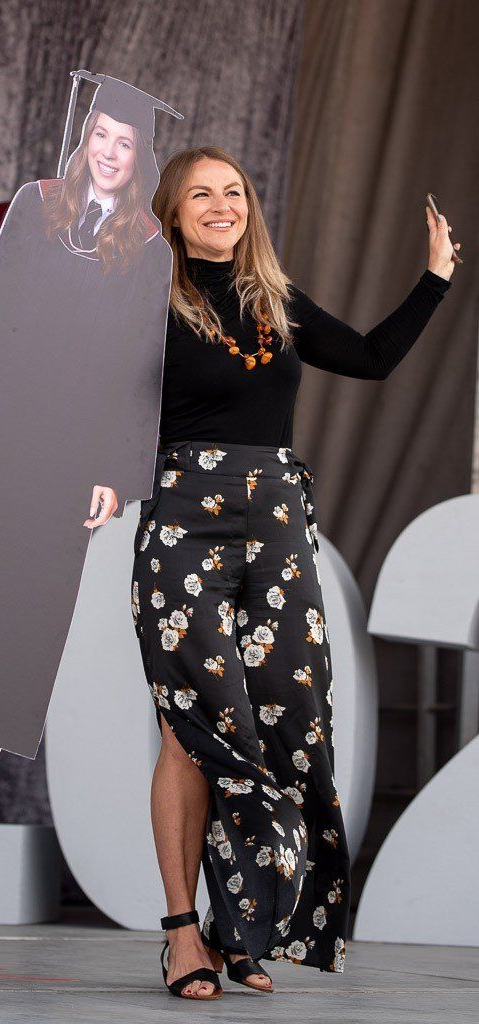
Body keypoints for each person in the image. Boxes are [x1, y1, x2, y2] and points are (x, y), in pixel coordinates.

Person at [125, 146, 457, 998]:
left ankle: (242, 926)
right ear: (173, 213)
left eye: (234, 191)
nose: (222, 205)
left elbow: (373, 358)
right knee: (193, 725)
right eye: (202, 194)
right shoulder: (142, 296)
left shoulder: (274, 298)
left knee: (287, 720)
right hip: (183, 517)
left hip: (276, 519)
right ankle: (182, 934)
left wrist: (436, 279)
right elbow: (76, 390)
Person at [0, 73, 180, 868]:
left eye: (126, 142)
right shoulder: (36, 204)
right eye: (102, 136)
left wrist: (117, 471)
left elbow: (141, 367)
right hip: (3, 436)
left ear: (143, 156)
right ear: (86, 137)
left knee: (25, 622)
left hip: (72, 458)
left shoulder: (150, 249)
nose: (110, 152)